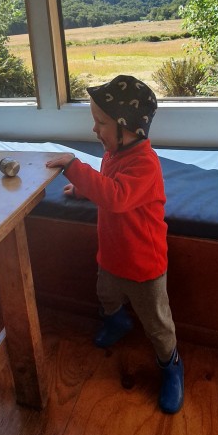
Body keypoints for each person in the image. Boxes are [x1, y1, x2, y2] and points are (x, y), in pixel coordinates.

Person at [45, 74, 184, 415]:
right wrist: (82, 189)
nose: (94, 129)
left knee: (157, 324)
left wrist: (74, 169)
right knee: (106, 295)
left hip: (143, 263)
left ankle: (171, 365)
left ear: (128, 128)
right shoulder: (113, 153)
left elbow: (118, 197)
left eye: (101, 122)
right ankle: (117, 322)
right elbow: (106, 184)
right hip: (111, 254)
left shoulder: (145, 164)